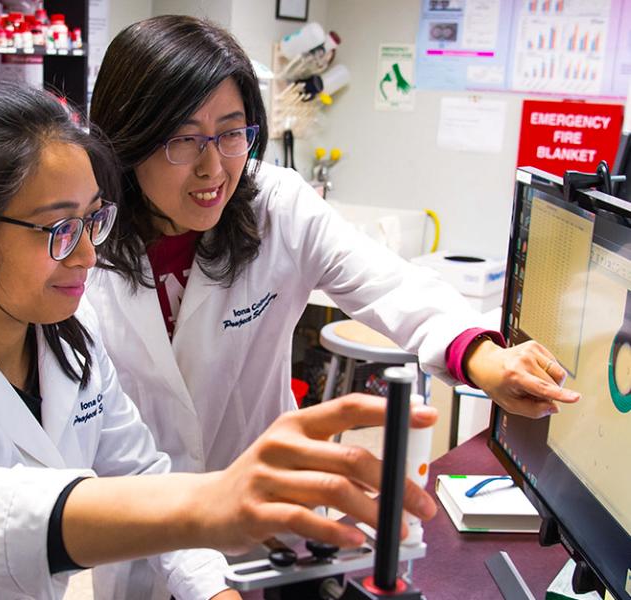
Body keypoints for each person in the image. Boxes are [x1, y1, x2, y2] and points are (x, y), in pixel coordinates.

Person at [0, 81, 439, 600]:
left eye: (95, 219)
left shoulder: (66, 344)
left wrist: (213, 588)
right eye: (57, 230)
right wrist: (211, 501)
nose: (89, 255)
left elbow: (142, 477)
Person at [85, 15, 580, 597]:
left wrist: (479, 355)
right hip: (143, 541)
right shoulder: (80, 258)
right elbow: (121, 459)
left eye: (230, 132)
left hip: (268, 534)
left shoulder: (277, 208)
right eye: (183, 139)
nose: (213, 167)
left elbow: (389, 284)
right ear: (128, 139)